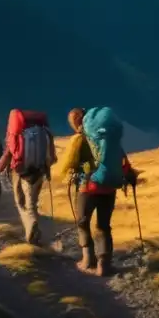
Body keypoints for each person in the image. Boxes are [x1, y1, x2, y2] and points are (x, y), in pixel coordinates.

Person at [54, 106, 138, 277]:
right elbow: (123, 162)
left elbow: (68, 166)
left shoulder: (78, 140)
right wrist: (129, 177)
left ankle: (87, 260)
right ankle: (104, 265)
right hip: (109, 188)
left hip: (88, 188)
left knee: (83, 222)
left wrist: (72, 174)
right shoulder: (107, 139)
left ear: (75, 122)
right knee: (104, 226)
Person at [0, 109, 56, 246]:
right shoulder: (46, 133)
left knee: (21, 202)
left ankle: (31, 229)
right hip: (39, 172)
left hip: (21, 173)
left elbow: (8, 153)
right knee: (32, 202)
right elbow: (52, 158)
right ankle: (34, 229)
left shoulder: (17, 133)